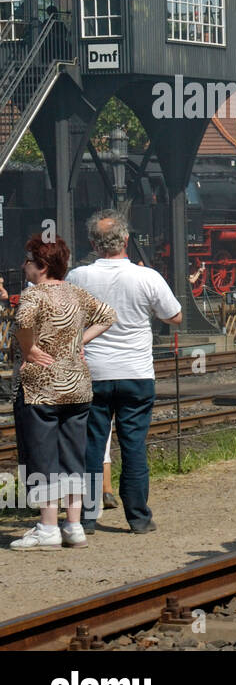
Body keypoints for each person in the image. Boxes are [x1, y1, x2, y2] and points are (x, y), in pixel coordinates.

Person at [67, 210, 181, 535]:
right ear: (127, 240)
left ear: (92, 243)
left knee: (91, 445)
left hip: (94, 373)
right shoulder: (147, 278)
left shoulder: (79, 277)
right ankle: (139, 518)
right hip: (136, 373)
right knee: (133, 445)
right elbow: (174, 316)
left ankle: (87, 518)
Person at [9, 235, 116, 550]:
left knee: (43, 457)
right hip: (78, 386)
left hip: (41, 388)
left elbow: (22, 323)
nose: (24, 266)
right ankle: (74, 525)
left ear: (41, 266)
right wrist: (79, 341)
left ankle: (48, 526)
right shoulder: (77, 293)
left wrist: (28, 349)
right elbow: (108, 316)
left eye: (28, 261)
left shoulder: (34, 295)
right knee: (74, 456)